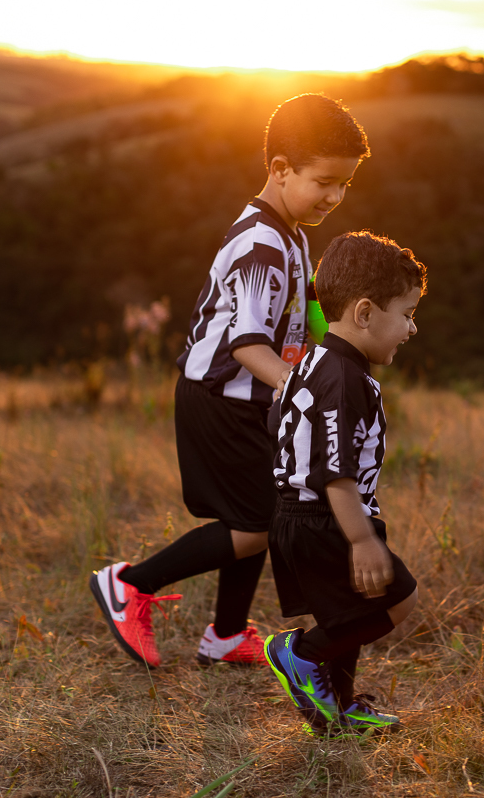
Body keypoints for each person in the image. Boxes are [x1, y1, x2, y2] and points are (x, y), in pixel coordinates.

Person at [90, 94, 370, 667]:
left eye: (346, 185)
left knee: (261, 513)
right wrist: (306, 392)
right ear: (280, 169)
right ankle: (132, 584)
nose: (336, 197)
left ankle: (224, 636)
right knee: (263, 521)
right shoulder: (262, 243)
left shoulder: (288, 231)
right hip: (221, 398)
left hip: (254, 398)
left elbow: (300, 309)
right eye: (325, 181)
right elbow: (246, 344)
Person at [264, 231, 425, 736]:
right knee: (398, 598)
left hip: (298, 514)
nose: (412, 328)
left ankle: (340, 704)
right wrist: (361, 538)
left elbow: (278, 423)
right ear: (364, 313)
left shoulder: (310, 363)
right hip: (325, 518)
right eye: (406, 313)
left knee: (350, 607)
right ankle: (300, 655)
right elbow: (336, 468)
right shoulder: (342, 376)